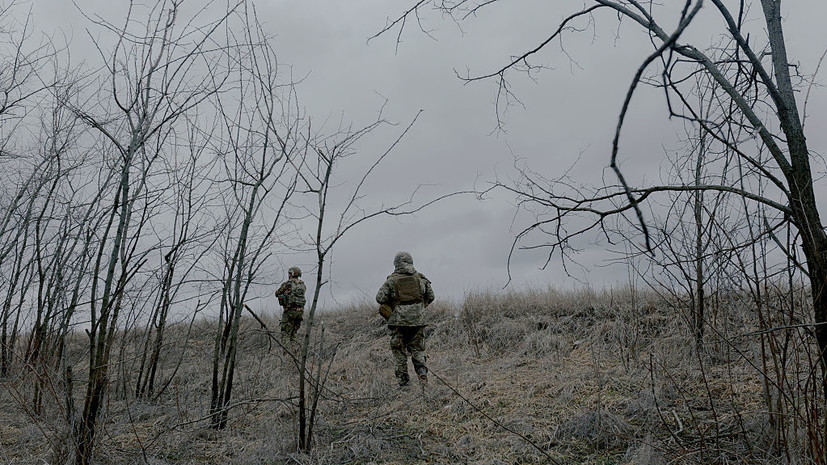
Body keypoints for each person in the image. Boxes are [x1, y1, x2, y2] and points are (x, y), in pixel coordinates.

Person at [376, 252, 434, 387]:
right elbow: (431, 296)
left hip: (398, 323)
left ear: (396, 264)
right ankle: (422, 373)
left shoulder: (392, 280)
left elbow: (379, 298)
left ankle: (404, 384)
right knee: (418, 350)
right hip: (418, 321)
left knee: (399, 353)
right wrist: (418, 308)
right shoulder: (420, 278)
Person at [276, 266, 306, 345]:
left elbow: (277, 293)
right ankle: (294, 350)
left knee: (285, 334)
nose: (288, 275)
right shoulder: (302, 285)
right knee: (294, 334)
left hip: (289, 311)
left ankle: (286, 352)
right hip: (300, 312)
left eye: (289, 273)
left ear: (292, 274)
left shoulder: (287, 284)